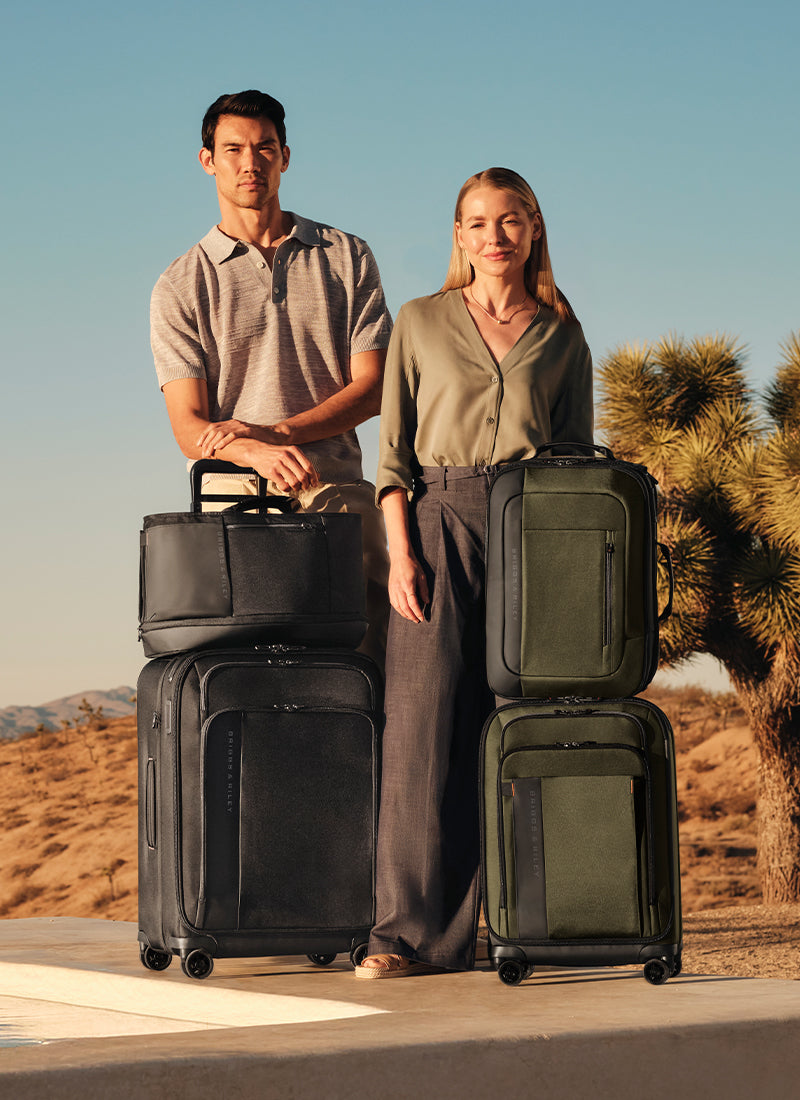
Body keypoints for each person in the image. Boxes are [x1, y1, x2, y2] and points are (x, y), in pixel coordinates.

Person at [355, 168, 594, 978]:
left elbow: (576, 461)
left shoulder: (562, 337)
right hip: (438, 518)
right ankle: (406, 937)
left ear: (534, 229)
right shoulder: (421, 321)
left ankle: (530, 927)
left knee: (521, 725)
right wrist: (401, 552)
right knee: (420, 727)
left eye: (511, 220)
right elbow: (393, 452)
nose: (496, 236)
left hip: (532, 527)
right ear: (459, 235)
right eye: (479, 222)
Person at [150, 90, 392, 668]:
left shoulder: (347, 256)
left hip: (337, 493)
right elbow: (189, 428)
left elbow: (375, 387)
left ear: (285, 156)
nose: (250, 162)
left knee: (366, 671)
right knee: (253, 681)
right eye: (233, 149)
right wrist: (254, 452)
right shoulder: (180, 284)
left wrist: (278, 434)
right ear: (208, 160)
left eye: (264, 148)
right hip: (233, 504)